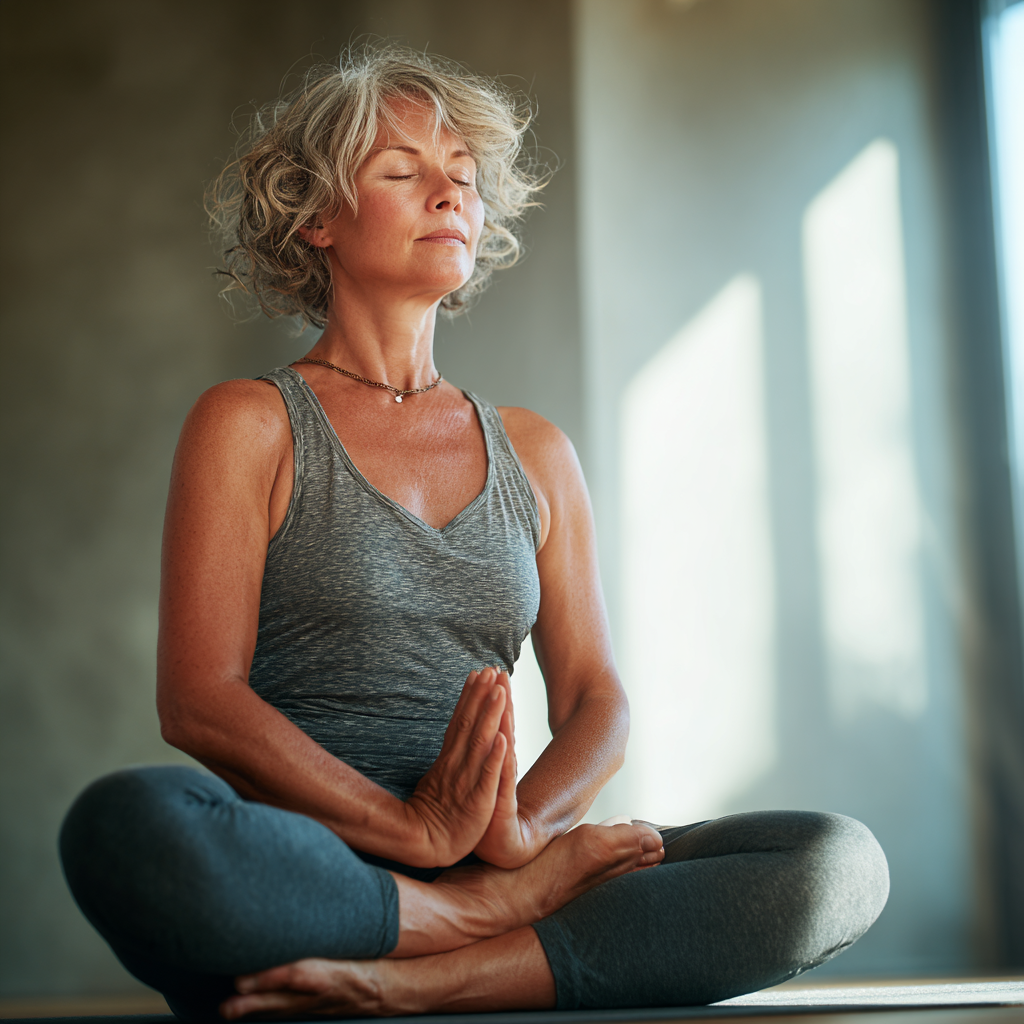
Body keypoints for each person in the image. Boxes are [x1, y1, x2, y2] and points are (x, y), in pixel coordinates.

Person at [59, 45, 889, 1022]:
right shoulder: (248, 425)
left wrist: (519, 838)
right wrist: (411, 835)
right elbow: (200, 701)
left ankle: (428, 969)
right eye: (404, 172)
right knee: (124, 827)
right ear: (316, 217)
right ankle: (469, 927)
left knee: (832, 860)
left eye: (462, 176)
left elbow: (594, 699)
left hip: (491, 862)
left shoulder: (534, 451)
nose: (448, 193)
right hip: (310, 873)